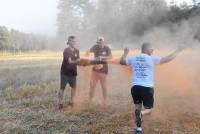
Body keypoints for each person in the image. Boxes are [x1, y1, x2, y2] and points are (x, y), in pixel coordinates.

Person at [107, 42, 184, 134]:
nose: (153, 50)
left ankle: (138, 129)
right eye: (151, 49)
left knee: (137, 107)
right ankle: (142, 114)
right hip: (147, 88)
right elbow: (167, 59)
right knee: (149, 110)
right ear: (146, 49)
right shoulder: (151, 58)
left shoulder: (134, 58)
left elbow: (122, 62)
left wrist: (125, 52)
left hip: (135, 87)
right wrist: (178, 50)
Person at [58, 36, 107, 111]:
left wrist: (85, 63)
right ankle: (60, 103)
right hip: (65, 72)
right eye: (72, 41)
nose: (74, 43)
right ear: (68, 42)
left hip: (73, 72)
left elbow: (78, 61)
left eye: (74, 41)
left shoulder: (77, 51)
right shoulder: (66, 51)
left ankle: (71, 101)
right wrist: (79, 61)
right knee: (62, 88)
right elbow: (70, 61)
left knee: (74, 88)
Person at [86, 37, 112, 107]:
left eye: (101, 43)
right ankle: (90, 101)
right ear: (97, 42)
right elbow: (88, 52)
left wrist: (102, 57)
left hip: (103, 71)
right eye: (98, 43)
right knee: (92, 86)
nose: (100, 44)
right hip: (95, 70)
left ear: (104, 42)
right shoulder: (95, 47)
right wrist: (88, 52)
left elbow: (110, 57)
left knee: (104, 86)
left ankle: (104, 102)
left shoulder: (107, 48)